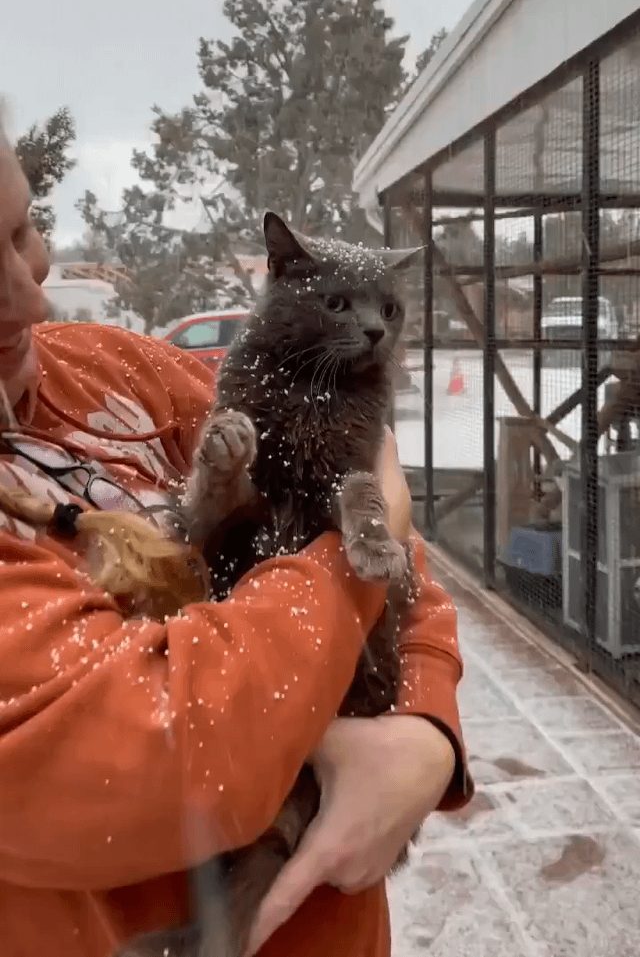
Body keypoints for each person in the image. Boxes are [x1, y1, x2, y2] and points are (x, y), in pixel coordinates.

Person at [0, 129, 471, 957]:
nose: (32, 299)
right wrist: (365, 535)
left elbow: (412, 576)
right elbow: (174, 746)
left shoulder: (114, 366)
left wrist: (426, 730)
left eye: (20, 231)